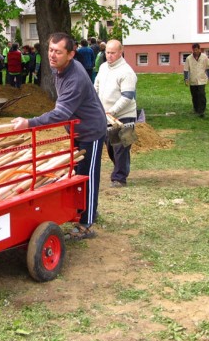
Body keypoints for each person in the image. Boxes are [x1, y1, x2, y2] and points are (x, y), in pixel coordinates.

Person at [12, 32, 107, 239]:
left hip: (91, 131)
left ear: (71, 54)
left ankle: (87, 223)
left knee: (86, 176)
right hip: (76, 128)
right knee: (75, 174)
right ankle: (84, 210)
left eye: (58, 52)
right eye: (50, 50)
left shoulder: (75, 78)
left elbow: (60, 114)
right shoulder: (60, 69)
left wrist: (29, 123)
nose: (52, 55)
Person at [95, 39, 137, 187]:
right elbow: (97, 87)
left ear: (120, 52)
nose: (109, 55)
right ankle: (121, 169)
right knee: (111, 148)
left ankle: (119, 178)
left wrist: (111, 111)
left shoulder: (127, 71)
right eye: (107, 52)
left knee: (121, 148)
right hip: (106, 115)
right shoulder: (103, 68)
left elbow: (127, 96)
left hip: (125, 115)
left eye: (113, 53)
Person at [184, 43, 209, 117]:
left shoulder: (204, 57)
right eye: (193, 50)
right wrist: (186, 79)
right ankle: (196, 109)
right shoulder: (189, 58)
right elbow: (186, 69)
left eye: (196, 50)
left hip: (201, 79)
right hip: (193, 80)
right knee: (194, 95)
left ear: (199, 49)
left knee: (201, 94)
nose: (195, 51)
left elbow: (208, 68)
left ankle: (202, 110)